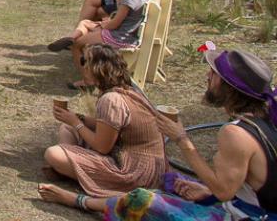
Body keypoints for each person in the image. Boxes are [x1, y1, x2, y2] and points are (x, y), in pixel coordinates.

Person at [40, 42, 277, 219]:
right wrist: (207, 191)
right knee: (178, 185)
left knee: (142, 199)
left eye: (214, 74)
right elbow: (239, 187)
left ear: (229, 87)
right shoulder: (261, 122)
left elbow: (225, 191)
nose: (208, 76)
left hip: (246, 216)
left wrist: (181, 139)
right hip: (248, 207)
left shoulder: (235, 134)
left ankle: (79, 200)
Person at [38, 44, 167, 204]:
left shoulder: (111, 100)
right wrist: (77, 119)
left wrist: (77, 123)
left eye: (85, 61)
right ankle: (73, 168)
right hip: (146, 166)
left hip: (134, 173)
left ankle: (78, 172)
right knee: (67, 128)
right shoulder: (128, 90)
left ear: (98, 68)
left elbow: (102, 147)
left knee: (53, 154)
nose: (82, 66)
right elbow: (111, 126)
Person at [55, 0, 149, 87]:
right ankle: (75, 41)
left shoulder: (129, 0)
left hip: (120, 37)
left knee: (77, 45)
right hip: (126, 34)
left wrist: (103, 24)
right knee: (87, 26)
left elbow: (114, 25)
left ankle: (88, 81)